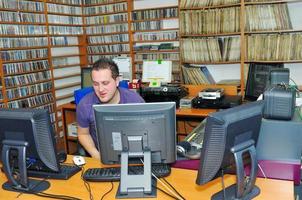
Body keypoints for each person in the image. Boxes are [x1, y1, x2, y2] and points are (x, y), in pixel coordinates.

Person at [76, 58, 145, 159]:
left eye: (105, 83)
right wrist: (95, 154)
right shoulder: (85, 104)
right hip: (101, 156)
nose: (100, 89)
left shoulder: (135, 101)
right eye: (96, 84)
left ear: (117, 81)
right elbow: (83, 134)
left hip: (133, 156)